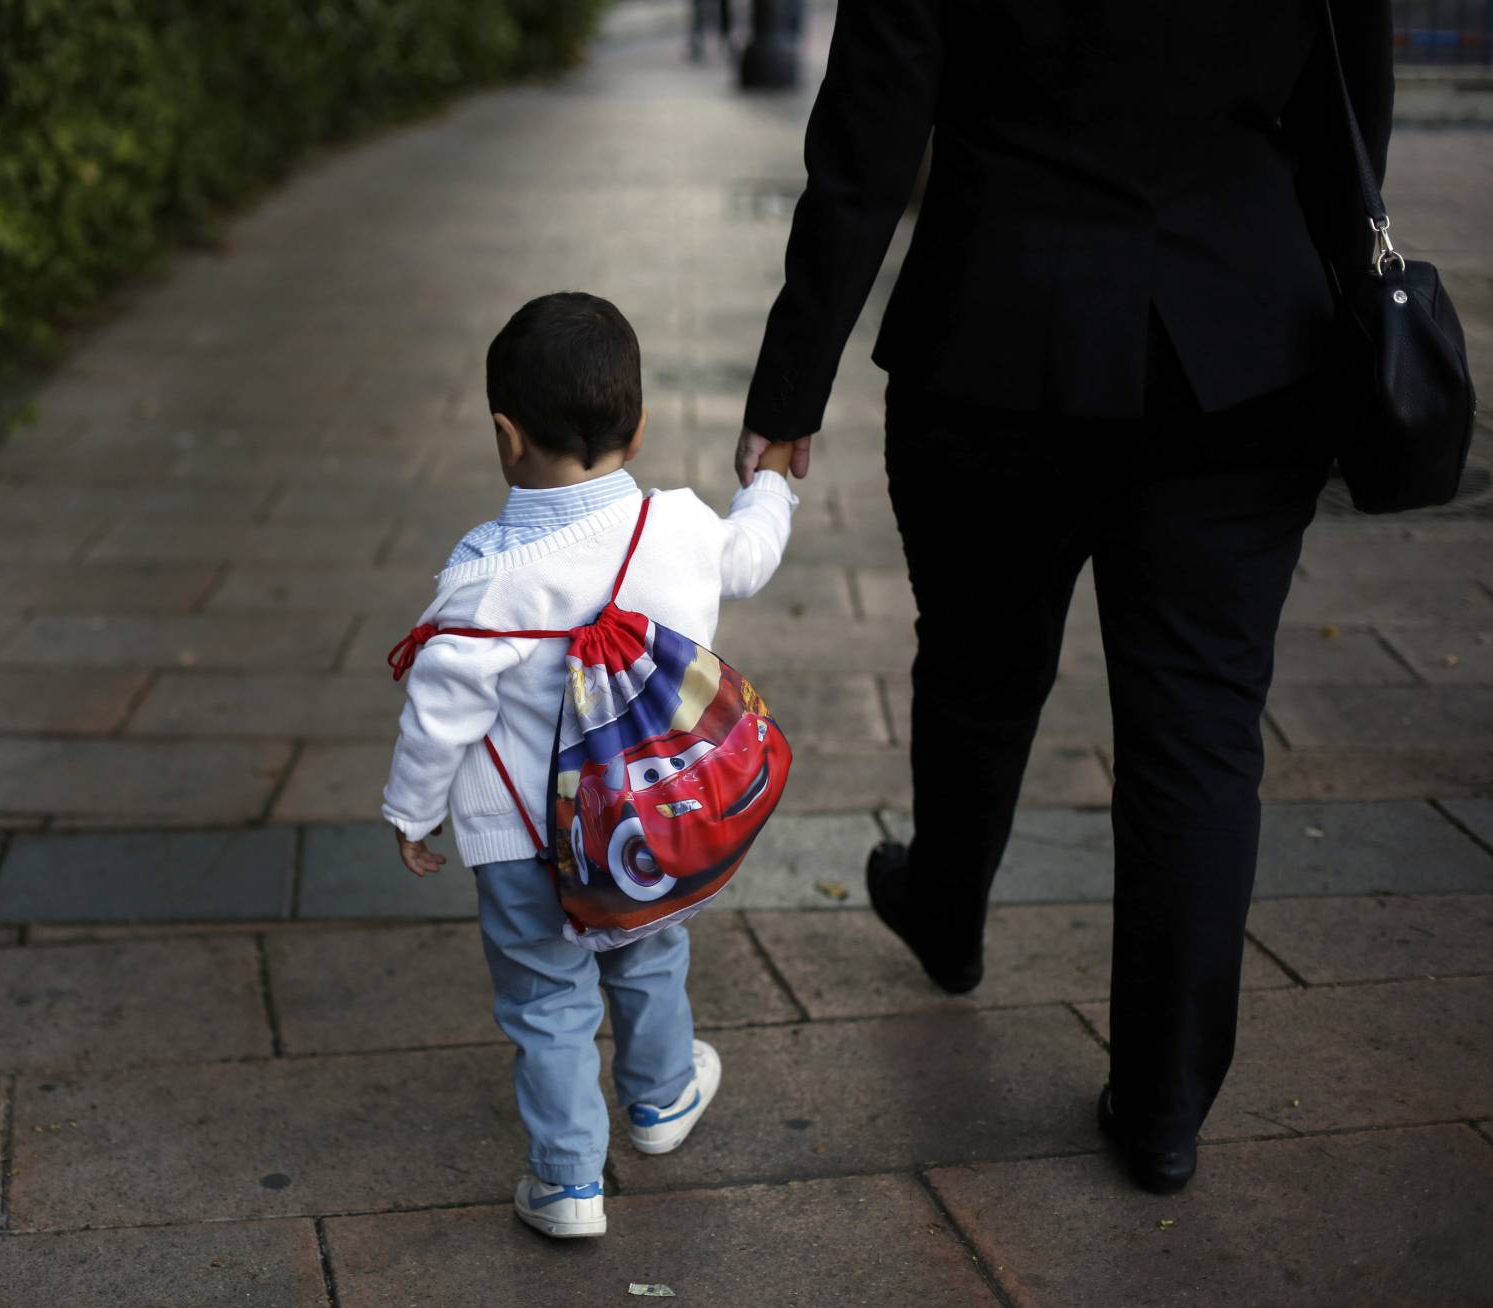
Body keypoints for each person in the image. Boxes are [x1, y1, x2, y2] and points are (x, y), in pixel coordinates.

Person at [733, 1, 1393, 1194]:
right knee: (1199, 729)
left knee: (980, 662)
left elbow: (869, 135)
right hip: (1245, 341)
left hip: (996, 330)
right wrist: (1353, 304)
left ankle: (945, 908)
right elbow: (1356, 95)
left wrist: (791, 388)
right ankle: (1162, 1108)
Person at [384, 292, 798, 1238]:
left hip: (519, 839)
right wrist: (769, 481)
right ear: (640, 424)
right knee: (650, 951)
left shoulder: (484, 578)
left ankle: (570, 1182)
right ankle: (659, 1100)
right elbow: (751, 555)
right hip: (642, 828)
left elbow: (439, 711)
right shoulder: (683, 527)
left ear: (505, 435)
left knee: (545, 1001)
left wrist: (412, 812)